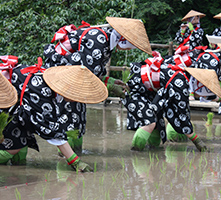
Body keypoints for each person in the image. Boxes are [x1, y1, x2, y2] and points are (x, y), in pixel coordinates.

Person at [43, 17, 152, 155]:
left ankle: (74, 152)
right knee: (70, 115)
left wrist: (110, 81)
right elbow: (86, 71)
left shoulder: (105, 40)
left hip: (75, 75)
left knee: (78, 115)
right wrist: (109, 85)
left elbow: (93, 69)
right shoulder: (99, 40)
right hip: (64, 75)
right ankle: (68, 157)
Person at [0, 59, 108, 172]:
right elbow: (51, 131)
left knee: (21, 139)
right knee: (12, 148)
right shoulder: (42, 93)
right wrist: (75, 161)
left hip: (15, 104)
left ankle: (16, 170)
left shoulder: (51, 80)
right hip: (4, 100)